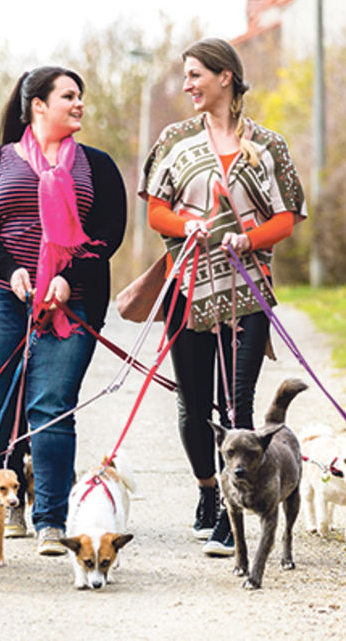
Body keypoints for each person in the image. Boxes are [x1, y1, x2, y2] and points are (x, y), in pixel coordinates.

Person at [138, 38, 306, 556]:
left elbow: (288, 217)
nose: (187, 85)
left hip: (247, 289)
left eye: (195, 75)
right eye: (186, 76)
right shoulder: (175, 139)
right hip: (187, 285)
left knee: (239, 402)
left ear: (225, 77)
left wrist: (247, 238)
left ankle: (235, 510)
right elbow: (155, 210)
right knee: (193, 404)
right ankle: (209, 494)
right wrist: (189, 224)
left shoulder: (268, 145)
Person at [0, 67, 127, 556]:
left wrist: (67, 279)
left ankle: (51, 520)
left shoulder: (97, 166)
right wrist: (11, 270)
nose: (79, 104)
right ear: (37, 105)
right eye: (69, 96)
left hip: (71, 304)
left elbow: (108, 235)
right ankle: (0, 509)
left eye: (80, 97)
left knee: (52, 408)